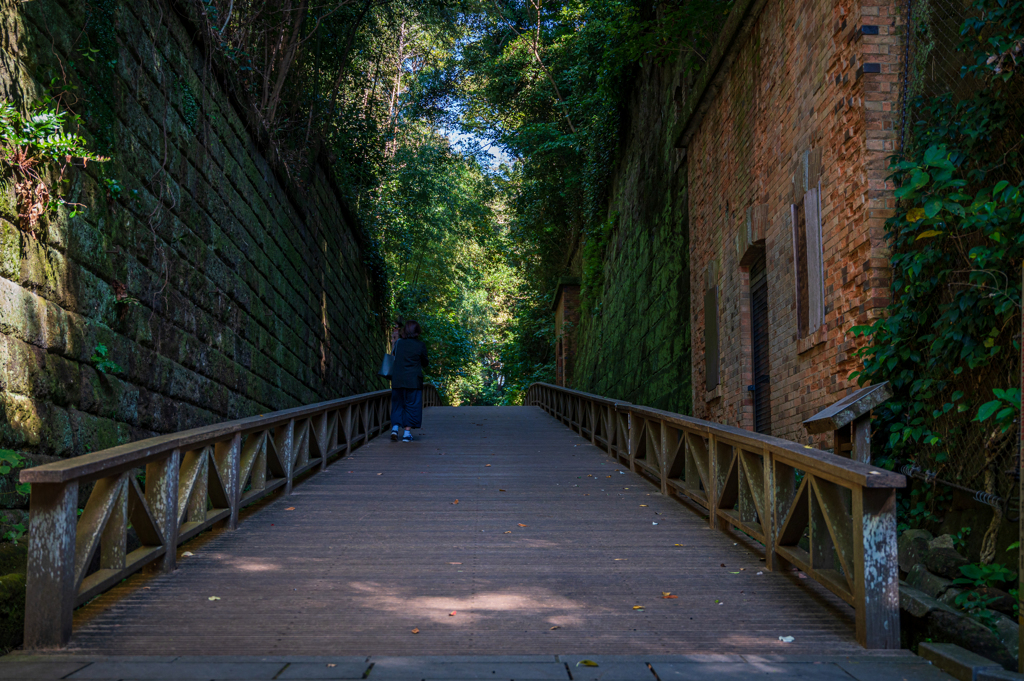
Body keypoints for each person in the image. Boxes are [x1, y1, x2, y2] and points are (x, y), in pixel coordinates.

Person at [389, 320, 428, 442]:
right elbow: (425, 363)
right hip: (413, 381)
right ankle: (406, 434)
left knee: (397, 404)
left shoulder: (399, 343)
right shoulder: (420, 345)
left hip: (398, 379)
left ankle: (395, 429)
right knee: (411, 405)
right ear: (417, 332)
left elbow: (394, 355)